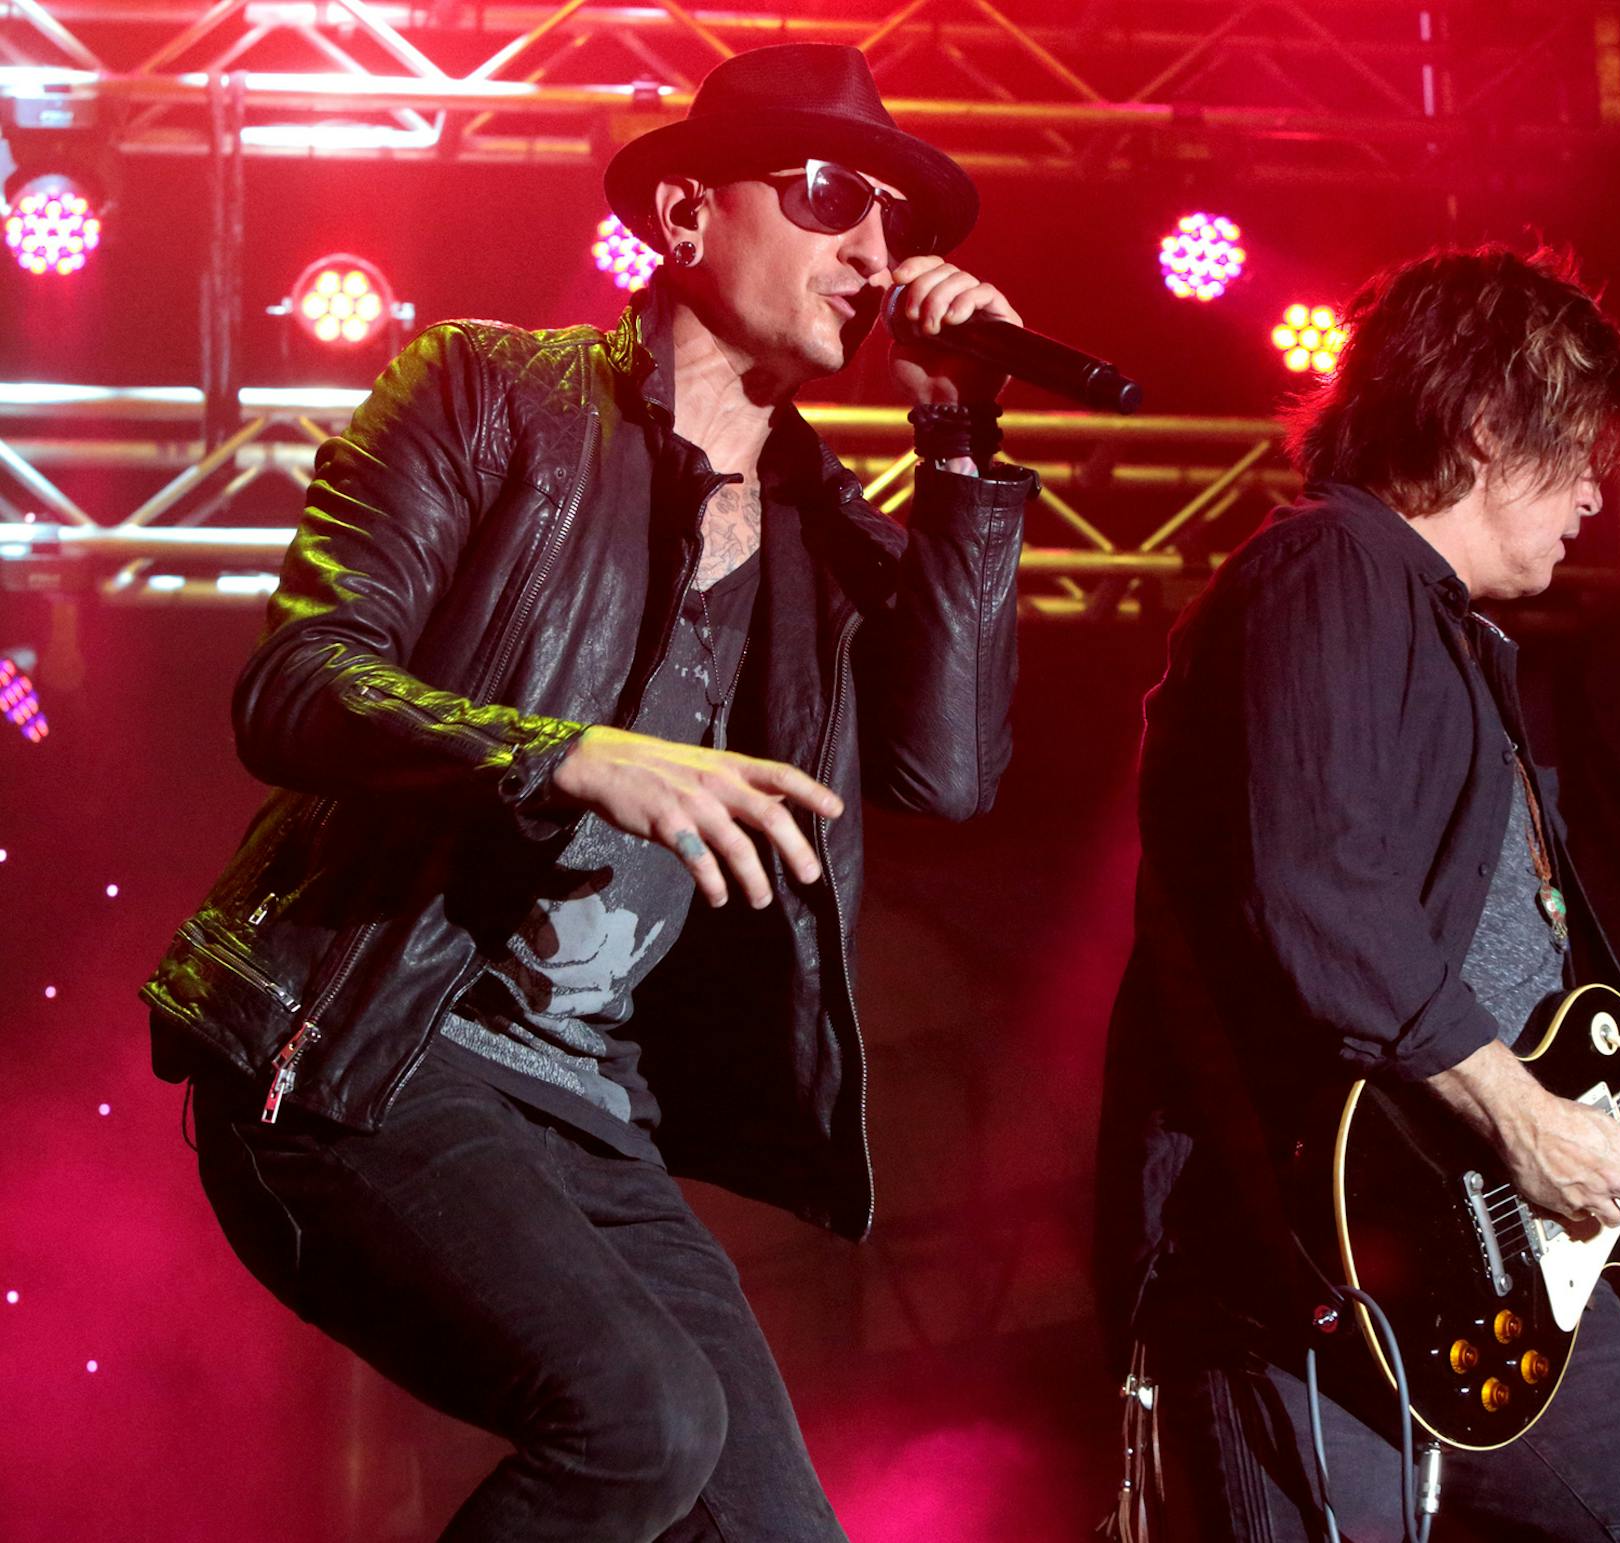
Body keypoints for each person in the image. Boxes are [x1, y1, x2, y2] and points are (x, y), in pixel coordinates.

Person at [142, 43, 1035, 1543]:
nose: (874, 253)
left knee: (773, 1525)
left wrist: (959, 441)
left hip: (585, 1109)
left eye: (896, 222)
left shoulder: (829, 541)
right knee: (642, 1418)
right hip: (370, 1046)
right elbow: (295, 684)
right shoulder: (487, 393)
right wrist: (562, 753)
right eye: (828, 198)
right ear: (687, 219)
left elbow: (948, 769)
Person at [1093, 245, 1620, 1541]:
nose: (1602, 494)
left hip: (1475, 1253)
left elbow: (1495, 995)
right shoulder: (1330, 566)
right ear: (1489, 427)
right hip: (1301, 1265)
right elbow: (1314, 891)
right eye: (1582, 451)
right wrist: (1522, 1117)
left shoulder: (1445, 635)